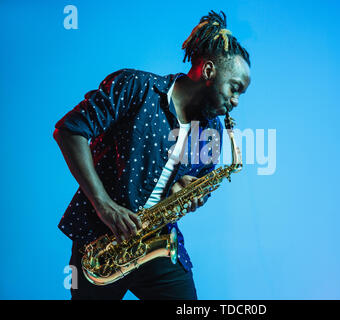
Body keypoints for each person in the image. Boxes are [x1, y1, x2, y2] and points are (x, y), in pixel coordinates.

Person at [53, 10, 251, 300]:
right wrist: (104, 205)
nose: (235, 101)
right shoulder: (136, 86)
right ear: (209, 71)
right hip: (101, 243)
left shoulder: (214, 132)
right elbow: (70, 131)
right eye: (235, 88)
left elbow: (191, 187)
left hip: (155, 244)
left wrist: (185, 193)